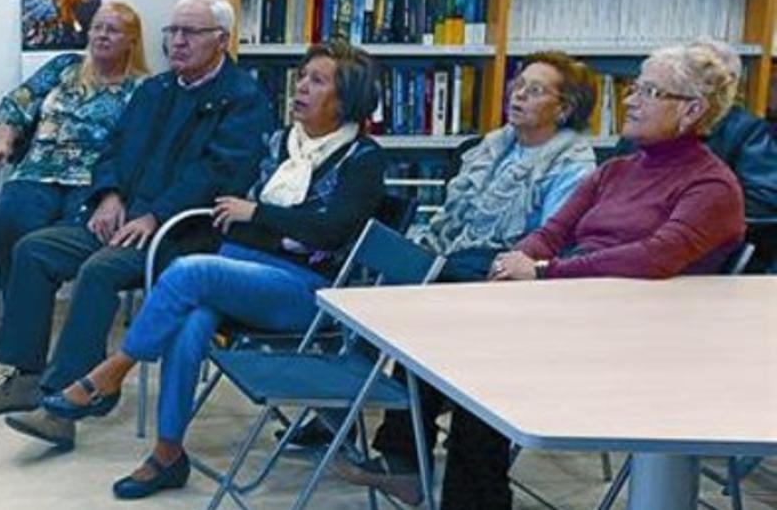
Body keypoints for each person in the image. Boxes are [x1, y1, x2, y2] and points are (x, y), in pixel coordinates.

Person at [38, 40, 387, 500]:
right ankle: (167, 454)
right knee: (190, 323)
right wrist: (268, 224)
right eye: (302, 76)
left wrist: (259, 216)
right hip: (247, 269)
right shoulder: (282, 143)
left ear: (347, 100)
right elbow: (234, 217)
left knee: (189, 271)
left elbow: (328, 232)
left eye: (317, 81)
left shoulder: (363, 159)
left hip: (307, 295)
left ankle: (109, 373)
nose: (300, 87)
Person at [429, 43, 745, 510]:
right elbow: (552, 231)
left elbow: (653, 258)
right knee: (442, 326)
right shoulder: (616, 170)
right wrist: (516, 263)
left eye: (650, 91)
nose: (631, 99)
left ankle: (452, 486)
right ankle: (448, 482)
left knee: (476, 355)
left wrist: (542, 271)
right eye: (635, 86)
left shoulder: (712, 187)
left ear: (692, 110)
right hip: (577, 311)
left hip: (640, 343)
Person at [0, 0, 272, 452]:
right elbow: (113, 150)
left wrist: (154, 215)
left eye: (190, 32)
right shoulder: (155, 90)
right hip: (126, 221)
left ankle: (64, 403)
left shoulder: (243, 99)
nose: (177, 42)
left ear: (221, 40)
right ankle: (26, 375)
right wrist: (108, 195)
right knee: (35, 249)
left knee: (100, 270)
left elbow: (219, 174)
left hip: (182, 234)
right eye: (172, 32)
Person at [328, 53, 601, 503]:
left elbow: (551, 240)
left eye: (536, 90)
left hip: (523, 293)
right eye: (519, 84)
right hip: (467, 286)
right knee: (434, 313)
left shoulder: (572, 166)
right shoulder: (493, 147)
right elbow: (453, 224)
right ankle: (404, 455)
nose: (519, 95)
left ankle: (402, 454)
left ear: (565, 107)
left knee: (439, 316)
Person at [0, 2, 148, 342]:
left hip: (93, 182)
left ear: (132, 41)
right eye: (97, 27)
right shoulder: (64, 66)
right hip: (37, 172)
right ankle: (22, 328)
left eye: (113, 30)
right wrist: (3, 139)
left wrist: (114, 194)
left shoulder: (143, 89)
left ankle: (74, 335)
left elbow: (137, 149)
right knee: (7, 222)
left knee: (70, 241)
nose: (102, 35)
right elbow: (17, 102)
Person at [613, 38, 777, 272]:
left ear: (726, 87)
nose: (632, 101)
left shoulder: (746, 131)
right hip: (621, 245)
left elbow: (765, 201)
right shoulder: (642, 130)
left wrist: (682, 210)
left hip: (699, 258)